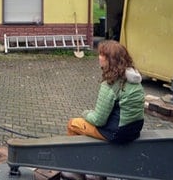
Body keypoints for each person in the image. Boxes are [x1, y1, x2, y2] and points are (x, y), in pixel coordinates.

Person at [61, 40, 145, 180]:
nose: (99, 57)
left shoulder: (110, 84)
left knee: (73, 124)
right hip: (134, 130)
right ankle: (95, 170)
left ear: (110, 60)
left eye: (102, 55)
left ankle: (74, 170)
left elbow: (99, 120)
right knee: (89, 129)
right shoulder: (134, 80)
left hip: (117, 132)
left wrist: (85, 113)